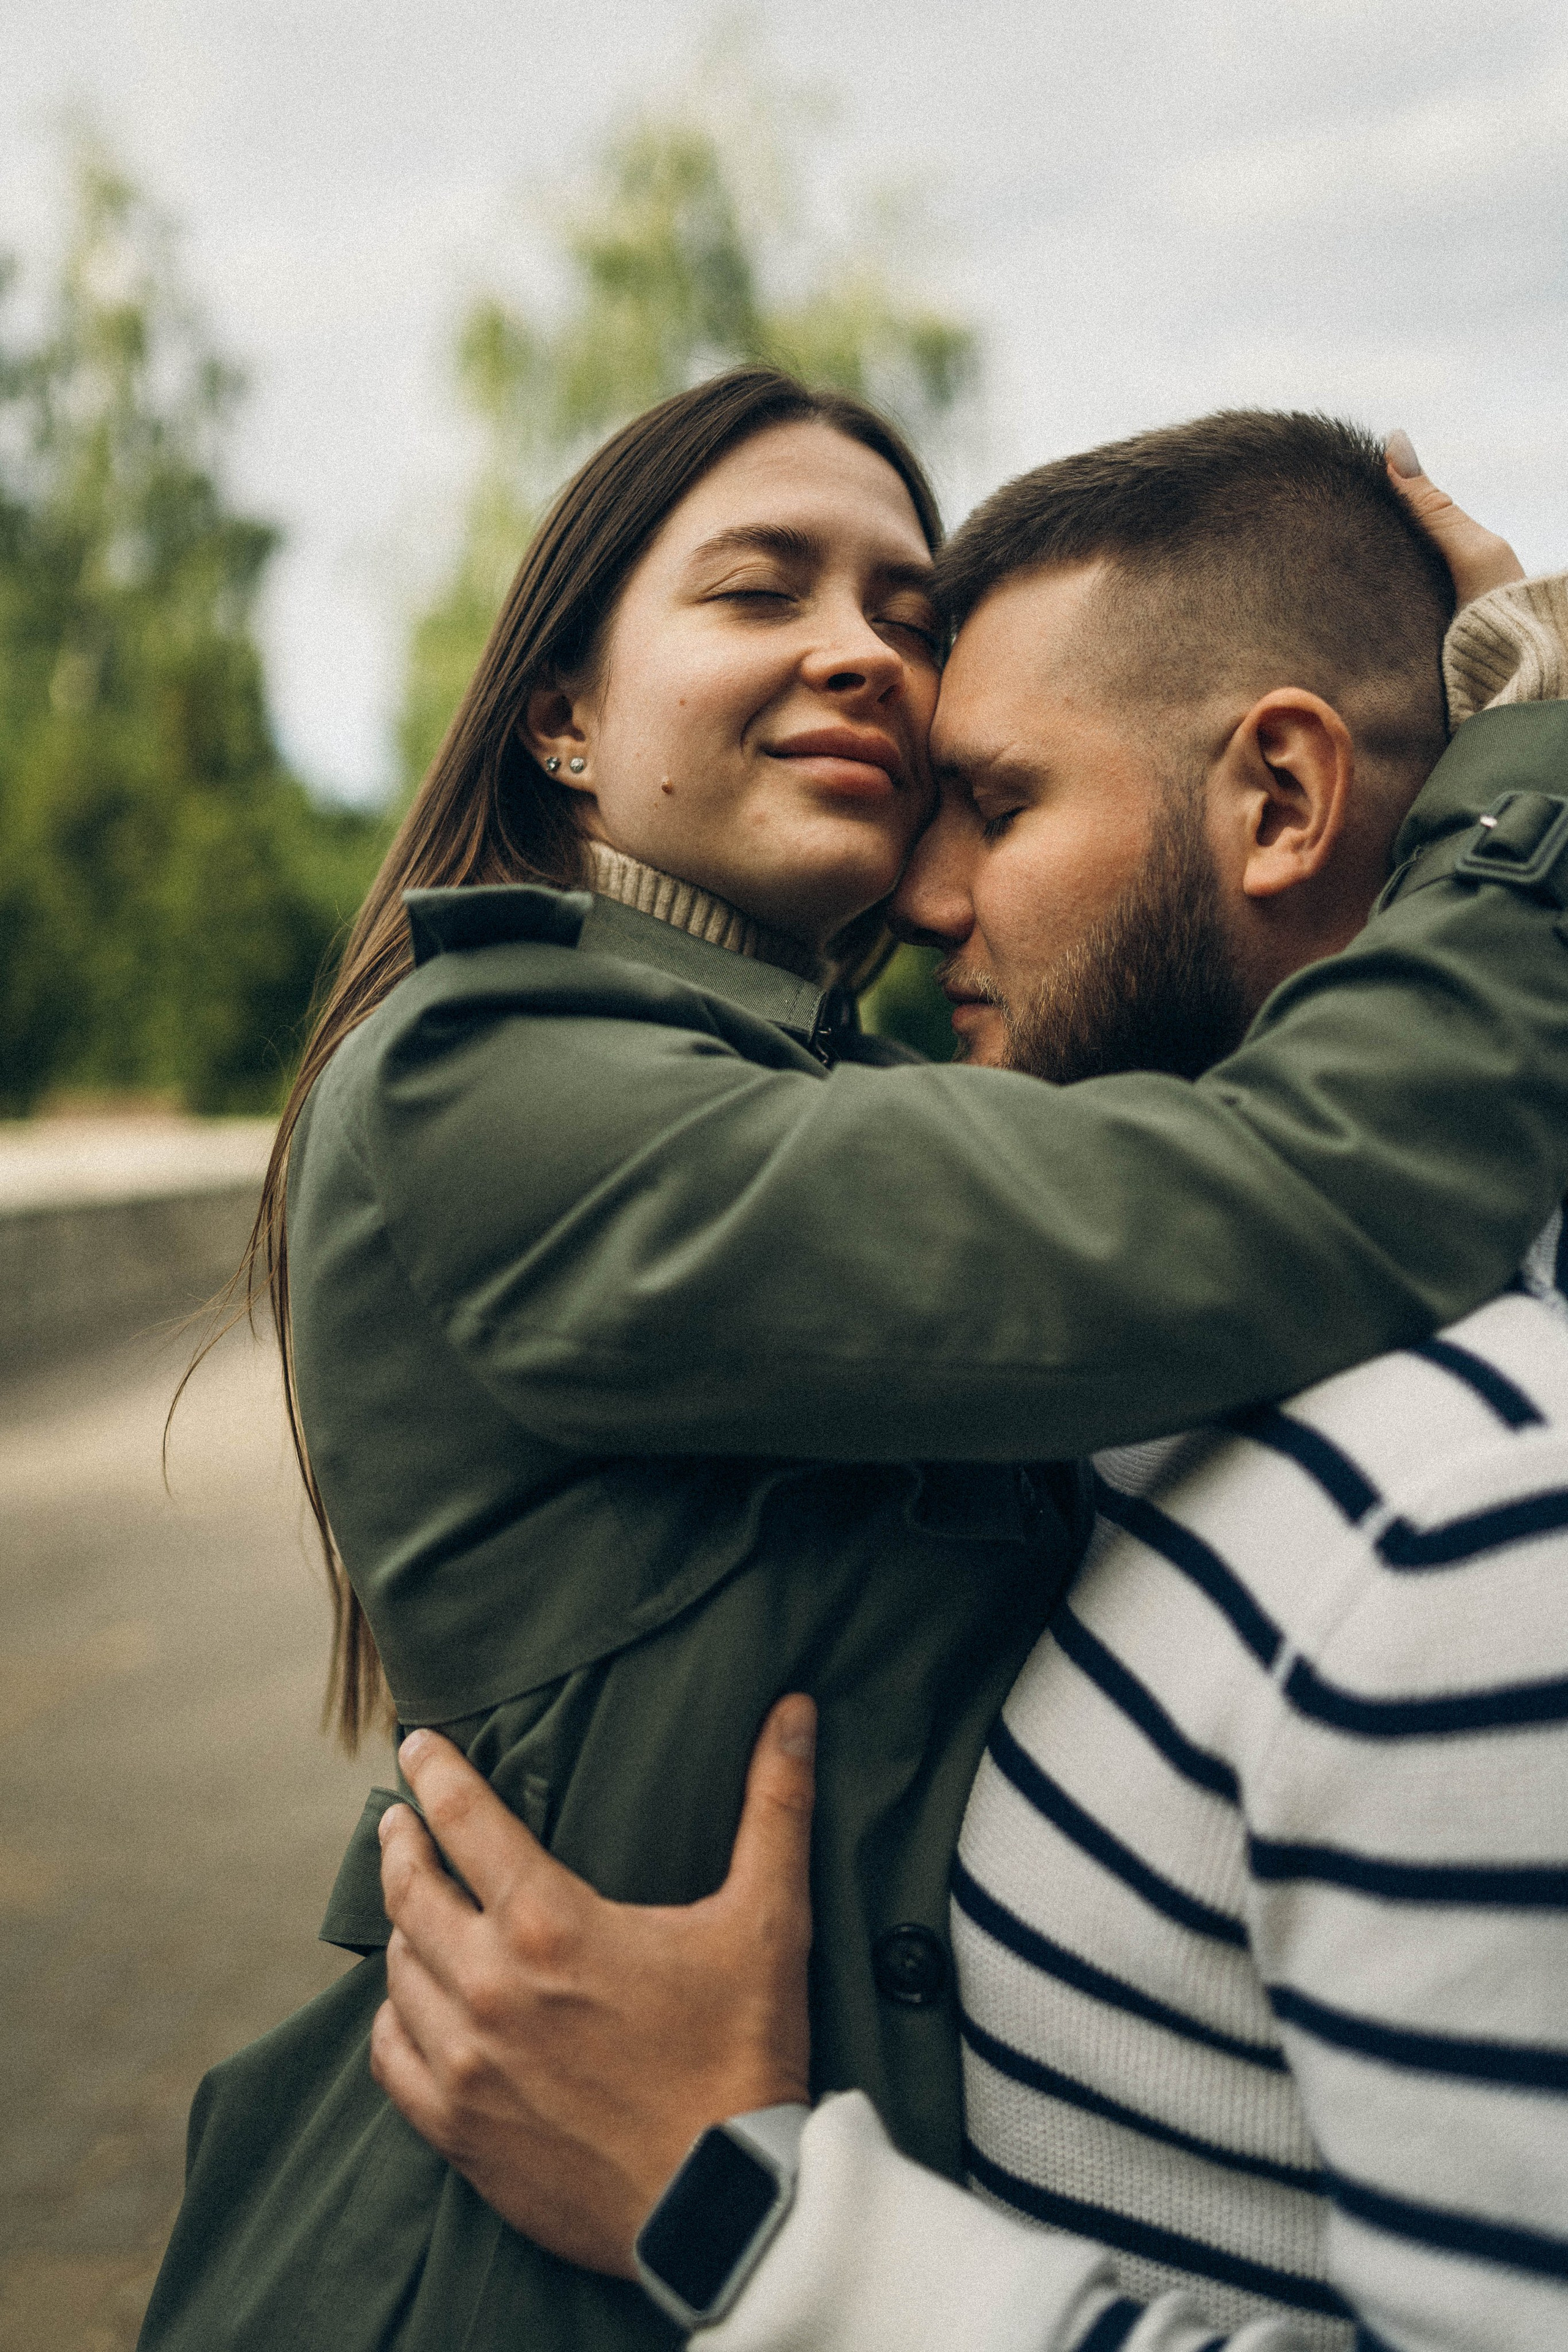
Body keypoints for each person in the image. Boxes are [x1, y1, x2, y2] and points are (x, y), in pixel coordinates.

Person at [139, 379, 1568, 2352]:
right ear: (563, 715)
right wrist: (1526, 764)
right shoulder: (499, 1085)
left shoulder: (834, 1096)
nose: (860, 653)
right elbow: (1270, 1194)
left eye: (908, 613)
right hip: (512, 2280)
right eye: (758, 587)